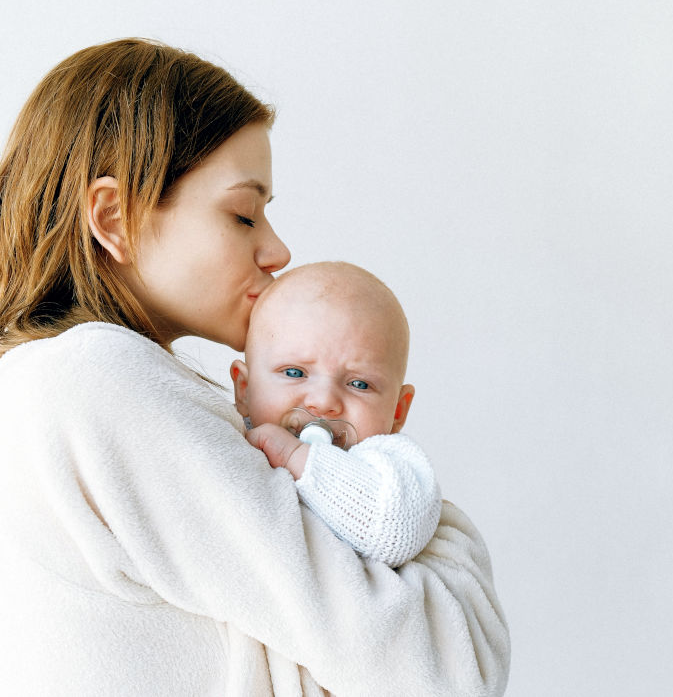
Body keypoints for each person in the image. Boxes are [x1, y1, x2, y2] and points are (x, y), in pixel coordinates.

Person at [0, 38, 510, 696]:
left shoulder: (53, 384)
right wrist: (435, 525)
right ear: (113, 216)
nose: (276, 249)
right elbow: (444, 671)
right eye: (243, 214)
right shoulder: (96, 380)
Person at [231, 261, 443, 568]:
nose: (324, 401)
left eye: (359, 384)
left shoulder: (393, 466)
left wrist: (295, 457)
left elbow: (394, 533)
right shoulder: (226, 440)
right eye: (294, 372)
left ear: (398, 411)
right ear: (244, 389)